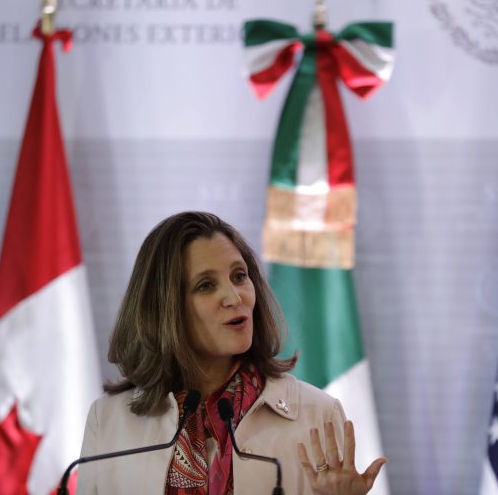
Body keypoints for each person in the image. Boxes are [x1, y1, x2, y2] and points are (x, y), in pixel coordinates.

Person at [77, 211, 387, 495]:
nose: (233, 296)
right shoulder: (108, 421)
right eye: (206, 285)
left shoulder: (317, 414)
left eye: (239, 276)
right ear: (165, 309)